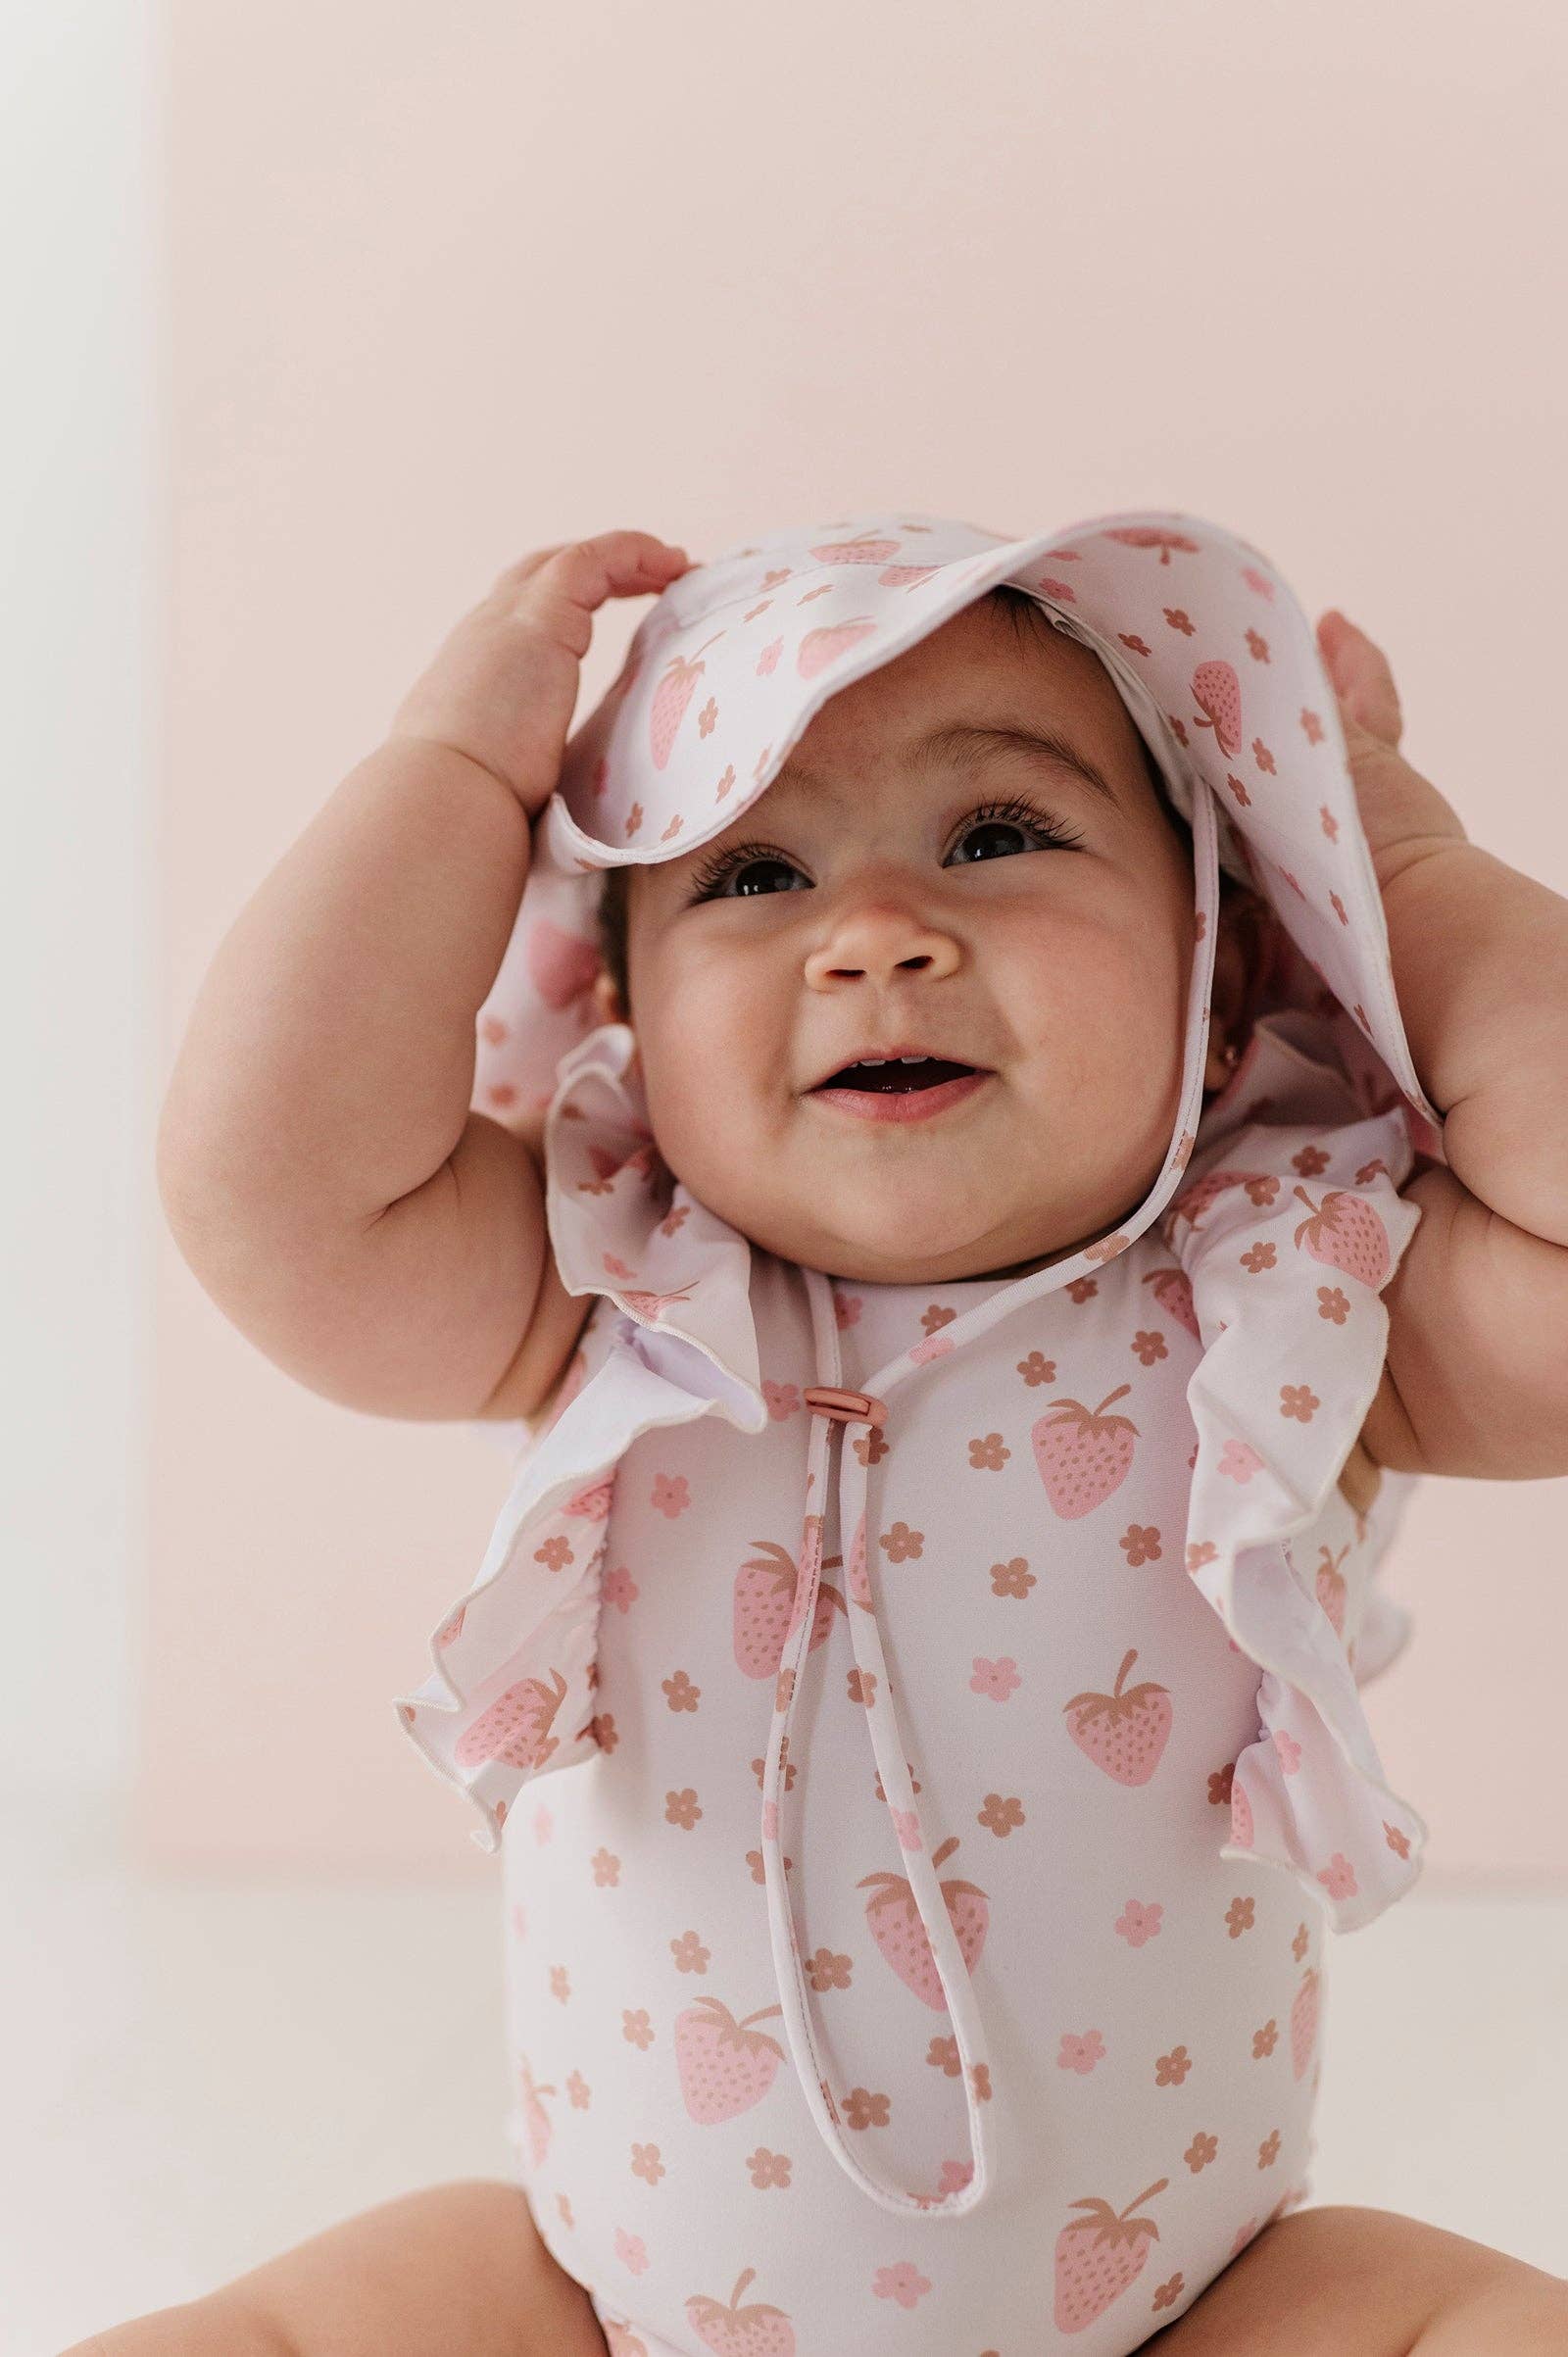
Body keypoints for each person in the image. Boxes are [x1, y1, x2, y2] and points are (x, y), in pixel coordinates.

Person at [98, 522, 1568, 2355]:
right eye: (757, 871)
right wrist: (455, 770)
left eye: (999, 834)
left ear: (1217, 972)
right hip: (610, 2314)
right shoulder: (600, 1300)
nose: (877, 933)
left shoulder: (1288, 1316)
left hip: (1192, 2312)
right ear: (626, 1017)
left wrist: (1392, 853)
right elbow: (268, 1180)